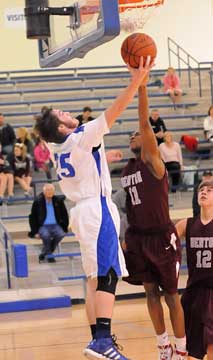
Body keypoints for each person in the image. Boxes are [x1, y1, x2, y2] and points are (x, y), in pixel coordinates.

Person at [33, 57, 152, 360]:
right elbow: (114, 111)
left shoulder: (59, 147)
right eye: (62, 114)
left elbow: (84, 161)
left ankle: (96, 340)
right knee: (109, 274)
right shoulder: (80, 137)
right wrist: (137, 80)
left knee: (93, 279)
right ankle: (102, 341)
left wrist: (103, 160)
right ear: (62, 126)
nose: (68, 112)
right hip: (97, 212)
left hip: (82, 212)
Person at [121, 71, 187, 359]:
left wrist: (141, 86)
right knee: (150, 293)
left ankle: (182, 347)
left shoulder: (152, 161)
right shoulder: (127, 169)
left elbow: (144, 124)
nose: (135, 135)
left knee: (172, 296)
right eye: (132, 135)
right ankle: (163, 346)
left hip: (162, 237)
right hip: (138, 238)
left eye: (139, 134)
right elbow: (126, 207)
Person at [176, 179, 213, 360]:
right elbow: (165, 242)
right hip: (194, 294)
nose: (204, 192)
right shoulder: (187, 224)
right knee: (194, 353)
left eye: (209, 190)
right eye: (201, 189)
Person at [28, 183, 69, 263]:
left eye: (51, 190)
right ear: (43, 192)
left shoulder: (58, 201)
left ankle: (45, 252)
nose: (49, 192)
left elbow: (65, 215)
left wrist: (65, 227)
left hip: (56, 225)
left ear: (54, 192)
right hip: (43, 226)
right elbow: (32, 217)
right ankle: (50, 255)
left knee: (61, 234)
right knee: (46, 236)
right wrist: (35, 232)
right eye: (47, 190)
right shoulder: (38, 202)